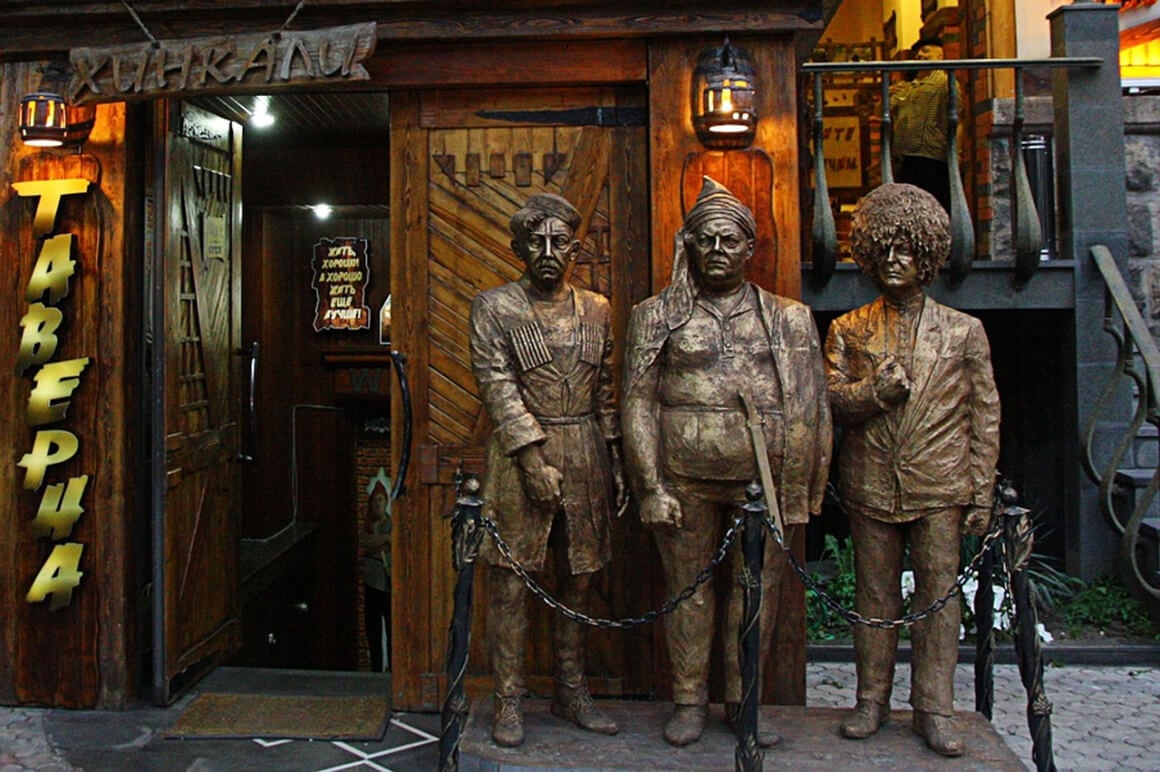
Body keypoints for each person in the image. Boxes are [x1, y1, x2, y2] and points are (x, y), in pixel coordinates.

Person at [622, 177, 832, 747]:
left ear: (750, 248)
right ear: (687, 245)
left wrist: (803, 489)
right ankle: (689, 702)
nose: (717, 250)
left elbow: (814, 404)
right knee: (687, 592)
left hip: (760, 482)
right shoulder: (654, 316)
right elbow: (636, 401)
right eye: (706, 239)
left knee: (753, 591)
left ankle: (743, 702)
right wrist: (649, 486)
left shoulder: (788, 319)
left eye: (729, 240)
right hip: (682, 479)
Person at [823, 183, 1000, 757]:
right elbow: (828, 402)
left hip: (940, 483)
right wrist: (874, 392)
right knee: (875, 598)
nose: (895, 261)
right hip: (872, 481)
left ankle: (934, 708)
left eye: (906, 250)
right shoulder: (849, 329)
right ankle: (871, 701)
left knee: (939, 599)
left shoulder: (964, 331)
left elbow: (984, 413)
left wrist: (980, 491)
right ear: (870, 256)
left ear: (926, 258)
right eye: (885, 250)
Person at [469, 192, 625, 748]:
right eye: (536, 242)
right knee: (511, 583)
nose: (548, 251)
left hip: (584, 449)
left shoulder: (599, 309)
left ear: (576, 249)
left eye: (559, 241)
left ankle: (571, 689)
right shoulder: (495, 308)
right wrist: (532, 458)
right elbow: (498, 387)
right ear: (518, 248)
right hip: (518, 460)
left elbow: (606, 389)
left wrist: (616, 456)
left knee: (580, 579)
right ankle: (507, 698)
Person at [890, 36, 954, 211]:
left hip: (930, 154)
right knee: (909, 207)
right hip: (904, 156)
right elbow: (883, 112)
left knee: (931, 205)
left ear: (940, 55)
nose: (919, 55)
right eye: (917, 52)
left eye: (925, 51)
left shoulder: (945, 83)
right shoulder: (908, 86)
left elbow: (958, 119)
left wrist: (956, 152)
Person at [359, 474, 392, 672]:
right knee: (373, 629)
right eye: (375, 500)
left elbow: (394, 540)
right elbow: (365, 541)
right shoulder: (367, 526)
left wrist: (384, 540)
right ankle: (376, 667)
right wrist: (384, 540)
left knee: (391, 626)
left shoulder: (391, 523)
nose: (378, 504)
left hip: (388, 582)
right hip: (372, 582)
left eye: (381, 500)